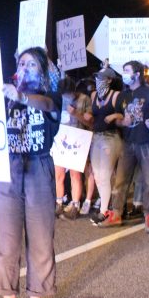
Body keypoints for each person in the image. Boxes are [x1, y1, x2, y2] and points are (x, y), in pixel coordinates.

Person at [0, 47, 61, 298]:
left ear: (44, 70)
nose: (26, 67)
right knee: (7, 244)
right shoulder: (5, 96)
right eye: (22, 62)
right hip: (9, 170)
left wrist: (21, 97)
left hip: (38, 168)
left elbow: (46, 105)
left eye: (32, 63)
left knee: (41, 242)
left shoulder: (50, 95)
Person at [97, 60, 149, 230]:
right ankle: (116, 214)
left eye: (127, 71)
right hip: (128, 143)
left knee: (148, 182)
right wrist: (122, 122)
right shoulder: (122, 95)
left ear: (136, 75)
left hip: (148, 144)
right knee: (120, 181)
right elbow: (120, 120)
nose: (124, 74)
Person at [55, 77, 93, 220]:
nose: (66, 96)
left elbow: (90, 123)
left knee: (75, 175)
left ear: (73, 91)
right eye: (63, 94)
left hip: (77, 139)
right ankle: (59, 202)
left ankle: (75, 204)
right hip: (61, 139)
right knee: (59, 173)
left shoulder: (84, 100)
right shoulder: (59, 98)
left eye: (68, 93)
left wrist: (76, 113)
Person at [88, 66, 122, 224]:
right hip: (96, 137)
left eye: (101, 78)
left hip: (110, 137)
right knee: (98, 176)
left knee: (106, 175)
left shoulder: (116, 96)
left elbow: (126, 115)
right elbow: (91, 116)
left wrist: (115, 115)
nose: (98, 80)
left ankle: (104, 211)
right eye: (96, 77)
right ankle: (105, 205)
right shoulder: (93, 95)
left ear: (109, 80)